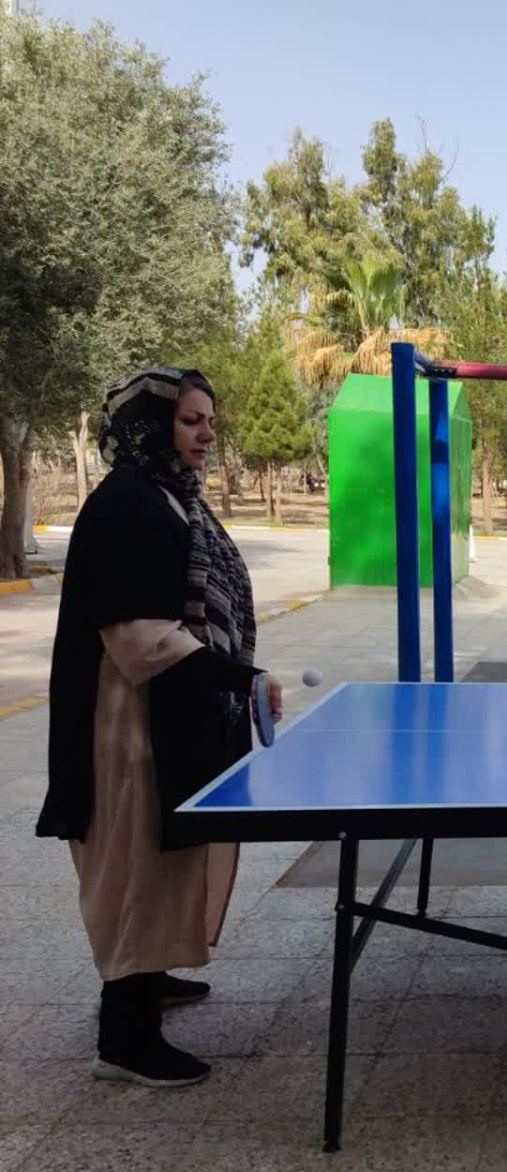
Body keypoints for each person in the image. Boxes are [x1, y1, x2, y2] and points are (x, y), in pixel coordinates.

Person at [37, 366, 281, 1087]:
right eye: (189, 421)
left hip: (161, 716)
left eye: (209, 421)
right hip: (124, 721)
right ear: (150, 426)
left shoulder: (171, 497)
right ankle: (125, 1036)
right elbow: (143, 641)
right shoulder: (129, 506)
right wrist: (241, 677)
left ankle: (150, 976)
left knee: (162, 853)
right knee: (134, 862)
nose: (206, 435)